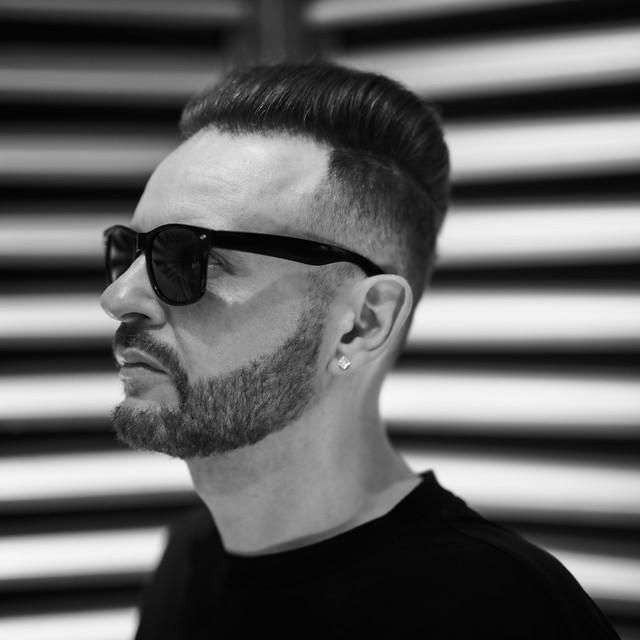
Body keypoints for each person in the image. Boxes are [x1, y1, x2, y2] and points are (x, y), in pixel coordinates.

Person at [100, 61, 619, 639]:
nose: (118, 297)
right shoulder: (189, 561)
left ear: (362, 325)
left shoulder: (507, 612)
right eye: (129, 250)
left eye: (188, 257)